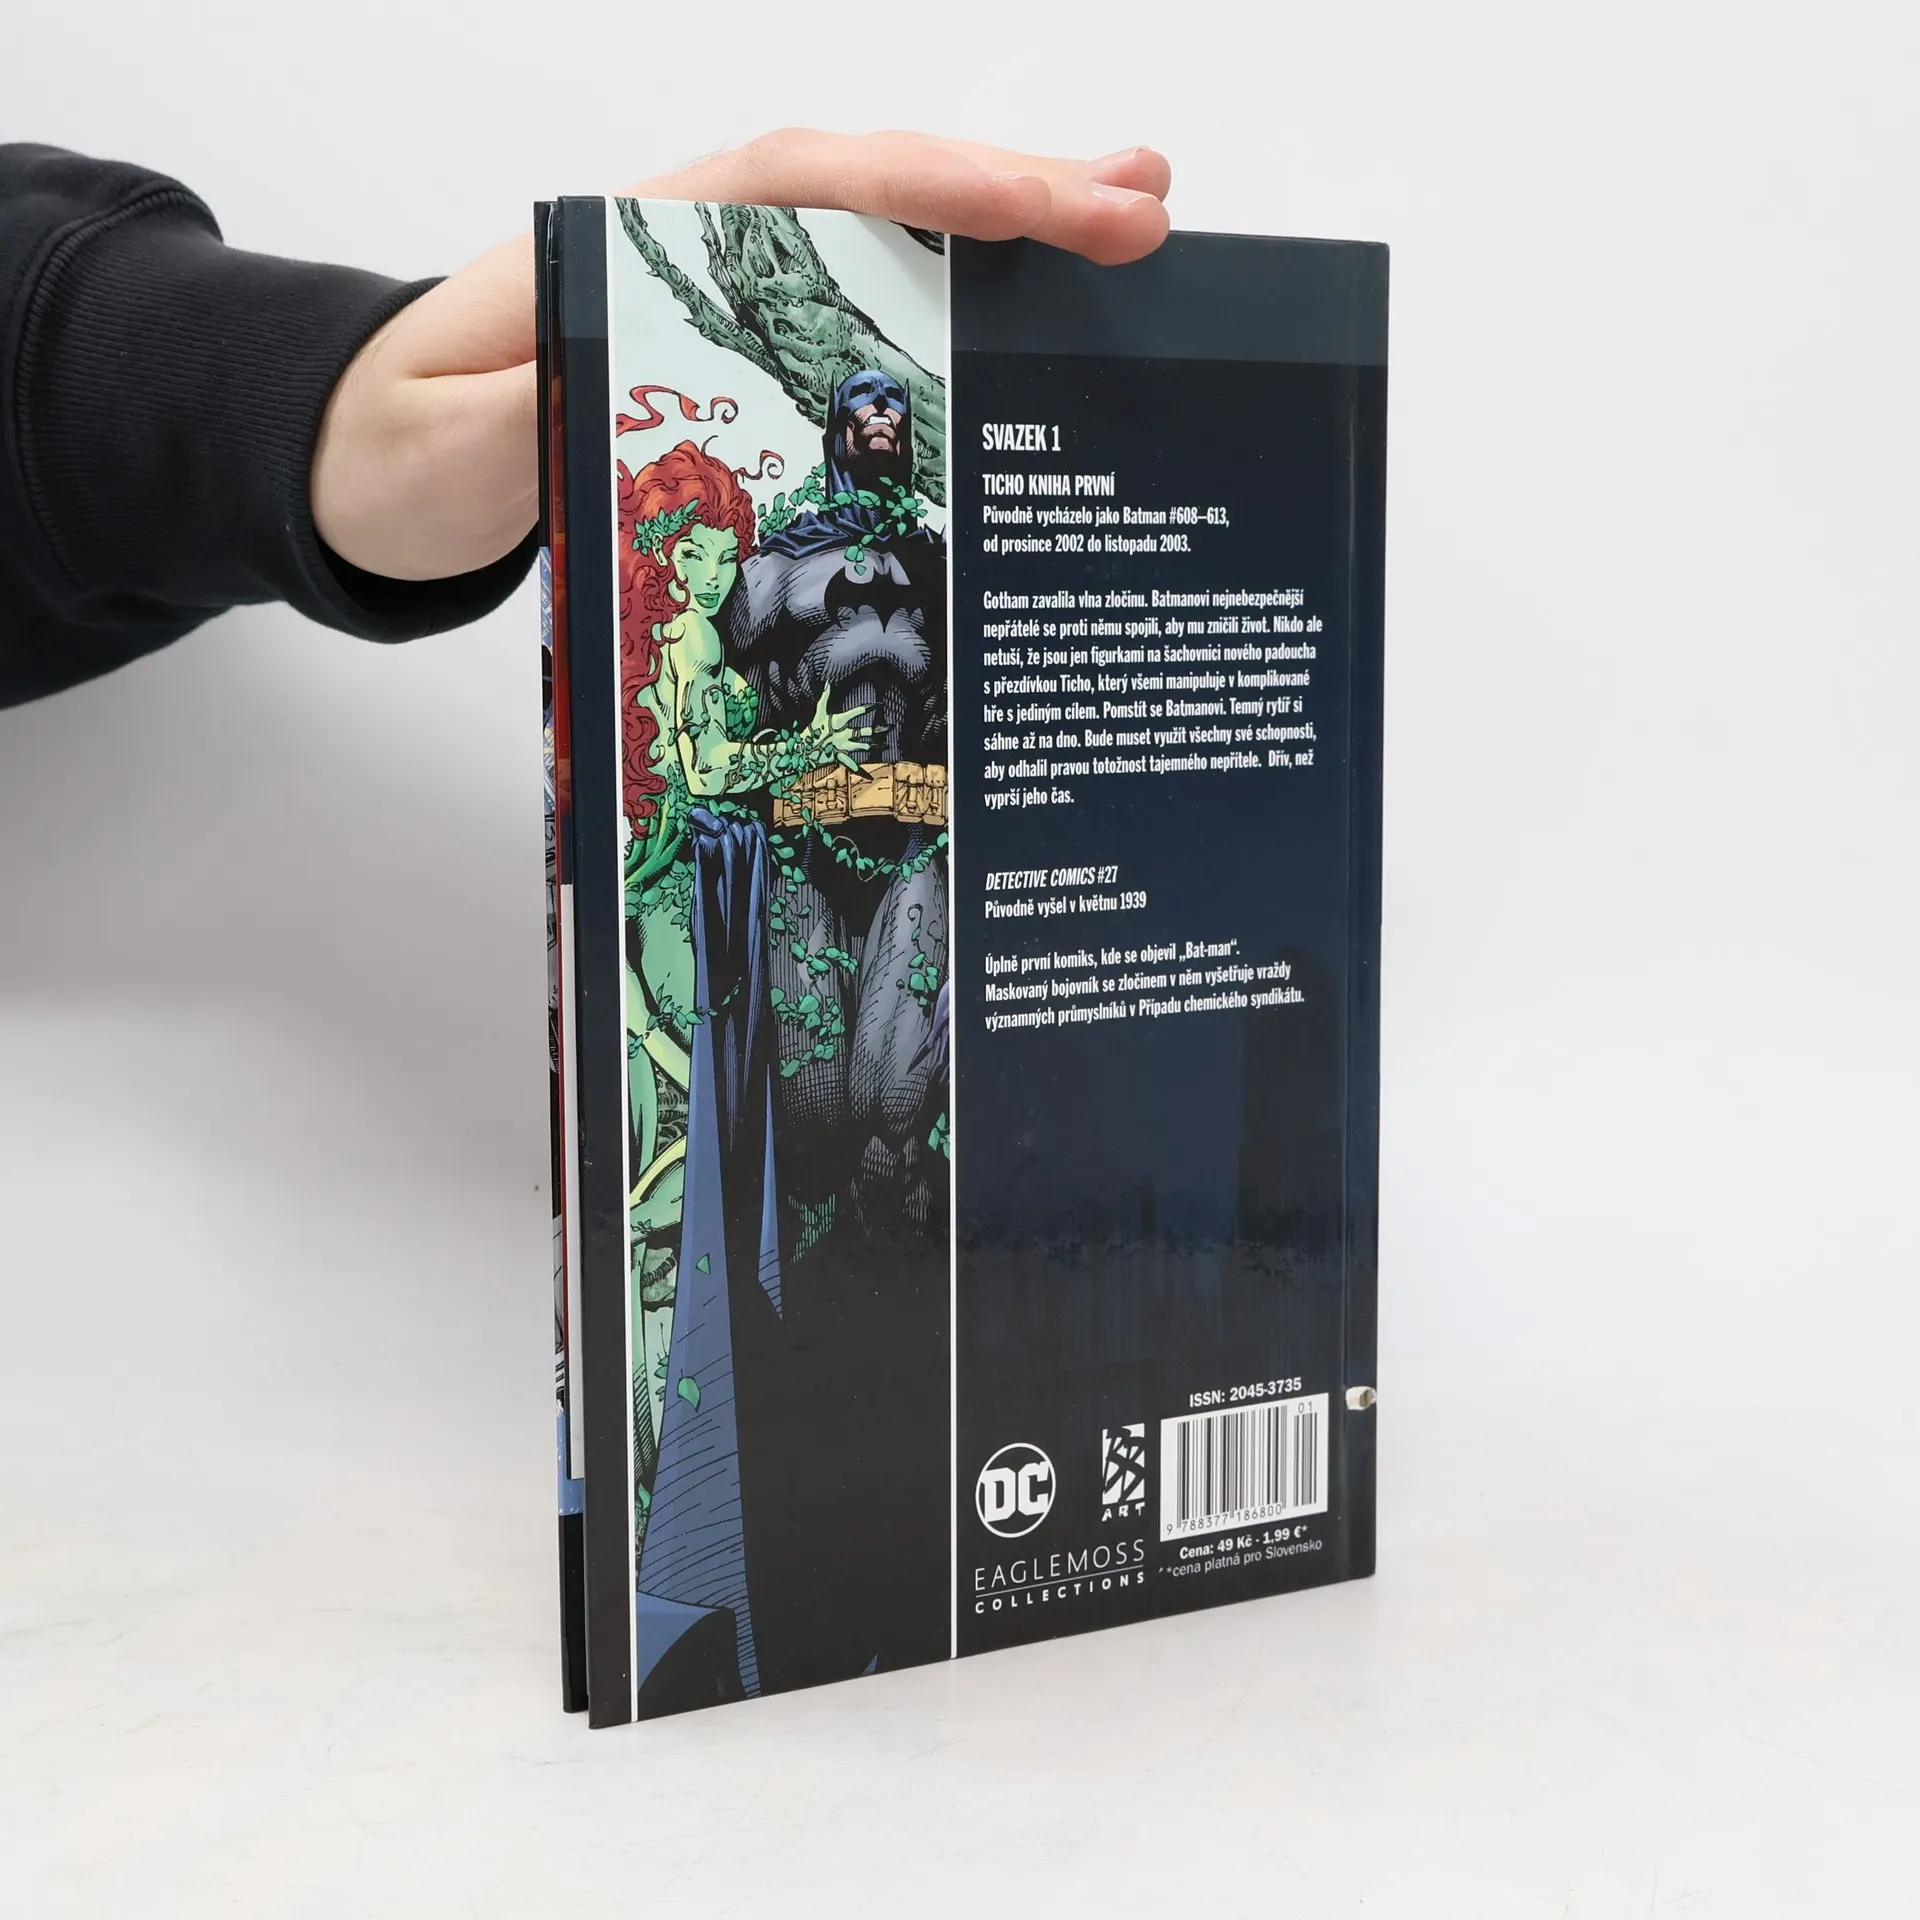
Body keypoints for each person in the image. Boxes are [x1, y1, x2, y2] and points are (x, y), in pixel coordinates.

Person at [0, 131, 1171, 707]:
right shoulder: (783, 551)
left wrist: (312, 404)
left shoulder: (903, 538)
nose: (876, 435)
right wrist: (294, 410)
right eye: (861, 420)